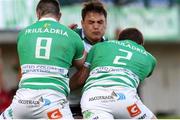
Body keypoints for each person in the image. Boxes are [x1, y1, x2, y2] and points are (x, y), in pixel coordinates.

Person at [0, 0, 85, 119]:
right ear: (59, 16)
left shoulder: (23, 34)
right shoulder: (72, 36)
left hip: (22, 103)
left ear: (37, 13)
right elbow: (82, 65)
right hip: (52, 104)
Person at [71, 28, 157, 119]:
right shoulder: (150, 58)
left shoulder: (98, 46)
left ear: (118, 40)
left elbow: (81, 78)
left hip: (92, 99)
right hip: (124, 99)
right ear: (141, 44)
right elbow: (146, 74)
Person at [68, 0, 107, 118]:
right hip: (68, 104)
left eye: (100, 22)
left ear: (106, 23)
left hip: (96, 104)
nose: (96, 26)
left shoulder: (108, 44)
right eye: (91, 22)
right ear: (82, 23)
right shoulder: (71, 39)